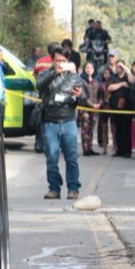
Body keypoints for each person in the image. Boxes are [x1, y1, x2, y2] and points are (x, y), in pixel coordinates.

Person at [36, 48, 89, 199]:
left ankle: (73, 188)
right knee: (51, 158)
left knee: (71, 158)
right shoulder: (45, 74)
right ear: (52, 61)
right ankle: (54, 188)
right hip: (50, 122)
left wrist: (80, 96)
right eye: (57, 60)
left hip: (68, 121)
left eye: (63, 61)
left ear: (68, 62)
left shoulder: (74, 77)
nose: (60, 63)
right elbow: (39, 86)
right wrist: (54, 73)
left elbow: (84, 100)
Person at [31, 43, 59, 153]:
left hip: (42, 94)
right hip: (55, 95)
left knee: (41, 119)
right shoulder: (60, 61)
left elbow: (34, 75)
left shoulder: (40, 61)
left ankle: (39, 144)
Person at [106, 61, 132, 157]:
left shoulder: (127, 76)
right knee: (118, 129)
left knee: (126, 128)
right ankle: (119, 150)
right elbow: (110, 87)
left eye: (121, 67)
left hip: (126, 106)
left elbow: (132, 82)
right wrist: (121, 84)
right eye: (118, 67)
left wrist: (127, 70)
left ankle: (127, 151)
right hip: (115, 106)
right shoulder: (113, 77)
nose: (119, 68)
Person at [78, 61, 100, 156]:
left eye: (91, 67)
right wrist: (92, 105)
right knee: (85, 128)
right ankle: (85, 149)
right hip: (85, 108)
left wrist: (99, 103)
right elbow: (82, 95)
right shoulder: (81, 80)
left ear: (94, 69)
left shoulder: (96, 80)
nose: (89, 69)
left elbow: (100, 93)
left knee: (91, 129)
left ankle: (90, 148)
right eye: (87, 67)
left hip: (95, 108)